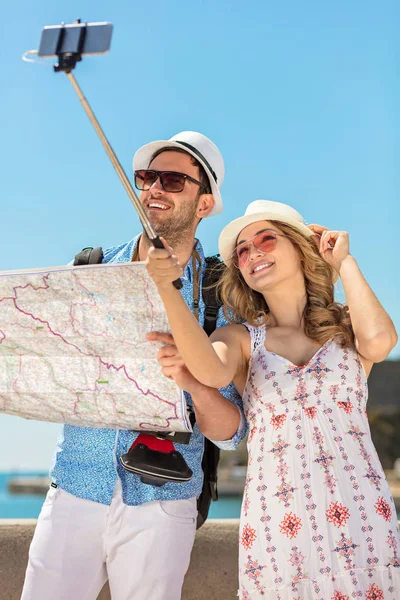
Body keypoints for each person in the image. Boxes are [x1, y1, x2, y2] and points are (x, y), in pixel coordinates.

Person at [21, 131, 246, 600]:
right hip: (76, 486)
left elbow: (231, 432)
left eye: (172, 180)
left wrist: (192, 382)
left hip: (164, 503)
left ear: (204, 204)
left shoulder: (220, 298)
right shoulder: (87, 270)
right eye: (146, 177)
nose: (154, 188)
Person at [146, 199, 400, 599]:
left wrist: (344, 263)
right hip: (281, 530)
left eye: (267, 239)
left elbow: (381, 342)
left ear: (301, 249)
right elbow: (209, 372)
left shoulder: (348, 326)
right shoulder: (241, 339)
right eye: (243, 250)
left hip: (363, 521)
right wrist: (167, 288)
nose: (253, 253)